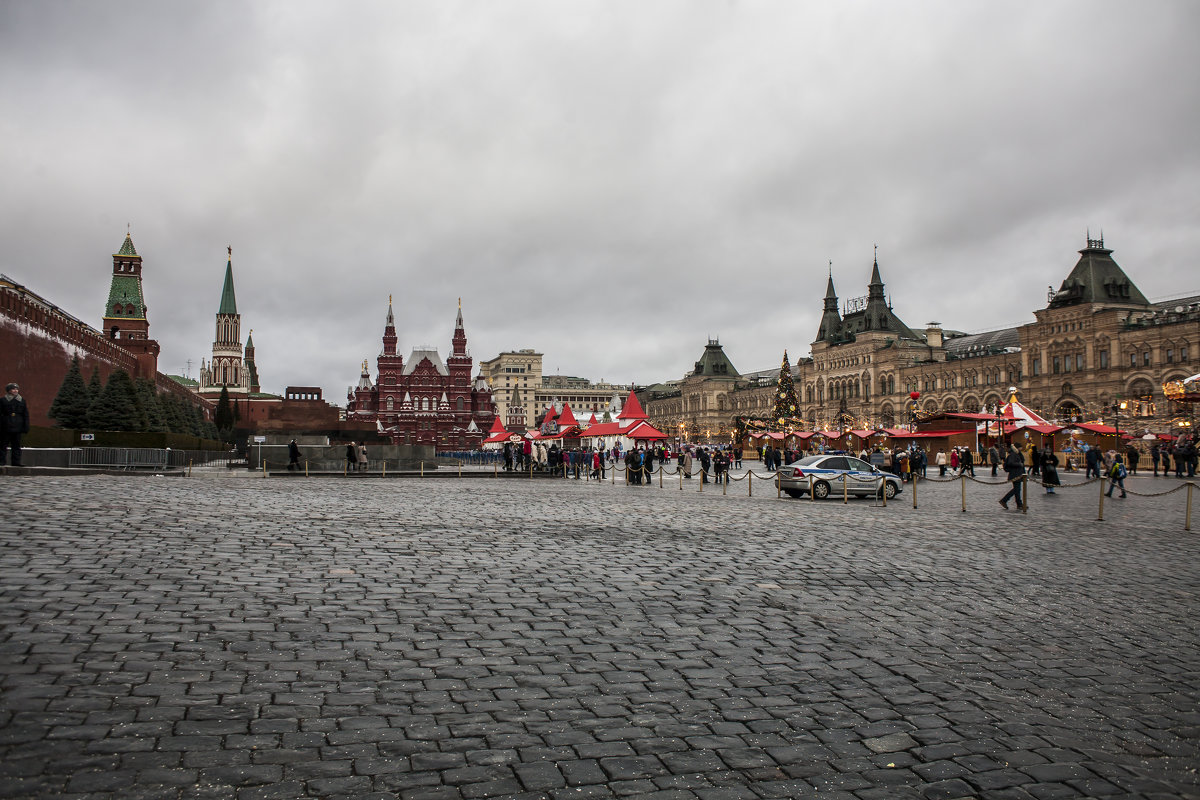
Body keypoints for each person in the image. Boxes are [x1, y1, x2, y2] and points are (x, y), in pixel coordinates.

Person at [1, 383, 30, 467]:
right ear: (9, 390)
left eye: (16, 389)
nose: (15, 390)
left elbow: (25, 414)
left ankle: (16, 462)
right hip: (5, 426)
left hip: (18, 427)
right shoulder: (3, 400)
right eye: (13, 389)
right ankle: (2, 461)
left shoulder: (22, 400)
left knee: (16, 446)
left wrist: (26, 426)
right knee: (3, 445)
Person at [999, 445, 1026, 510]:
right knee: (1016, 489)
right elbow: (1010, 463)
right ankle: (1004, 500)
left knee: (1017, 489)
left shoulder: (1016, 454)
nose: (1021, 448)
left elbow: (1022, 459)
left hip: (1017, 473)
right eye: (1019, 447)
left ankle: (1019, 504)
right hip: (1015, 474)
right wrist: (1019, 464)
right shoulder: (1013, 455)